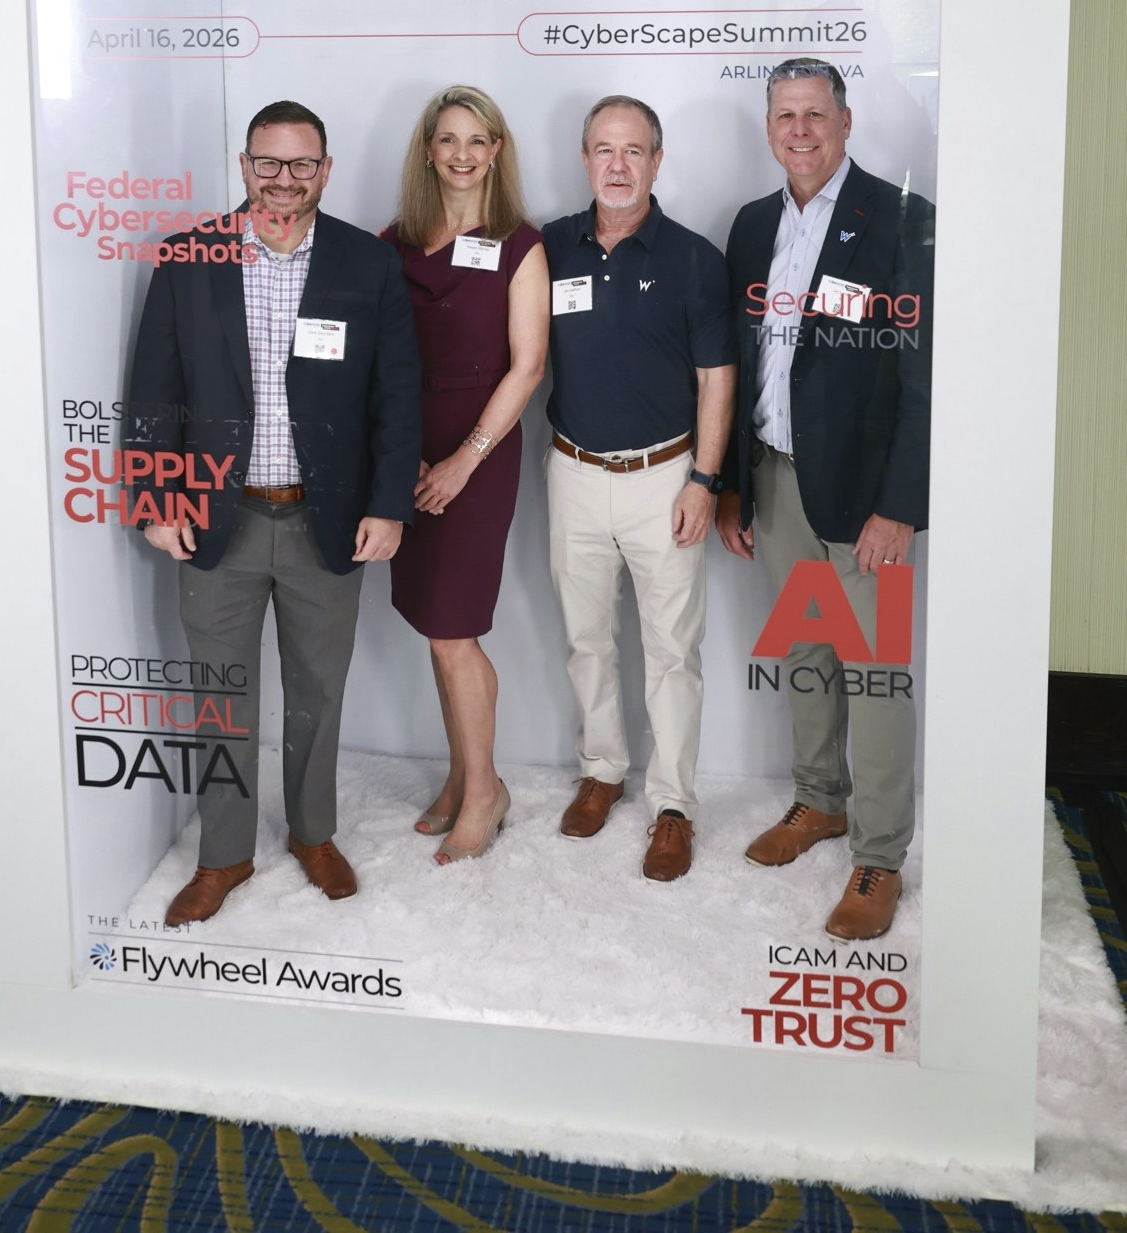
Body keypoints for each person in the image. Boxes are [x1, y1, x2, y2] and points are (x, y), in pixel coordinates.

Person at [127, 99, 421, 924]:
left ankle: (313, 833)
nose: (283, 180)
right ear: (245, 165)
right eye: (268, 163)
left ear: (325, 170)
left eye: (301, 164)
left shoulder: (368, 263)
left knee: (318, 691)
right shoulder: (189, 257)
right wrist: (154, 498)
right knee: (220, 695)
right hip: (217, 521)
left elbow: (397, 396)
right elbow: (152, 391)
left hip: (327, 519)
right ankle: (223, 854)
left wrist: (389, 505)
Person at [717, 57, 934, 943]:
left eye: (815, 114)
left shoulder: (902, 219)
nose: (799, 131)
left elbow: (924, 380)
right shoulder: (751, 225)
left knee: (876, 675)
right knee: (806, 653)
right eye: (785, 116)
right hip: (776, 480)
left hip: (864, 496)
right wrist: (735, 486)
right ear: (769, 128)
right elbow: (739, 364)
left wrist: (901, 506)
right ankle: (820, 801)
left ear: (845, 122)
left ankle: (880, 854)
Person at [543, 96, 736, 882]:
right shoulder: (549, 247)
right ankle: (602, 770)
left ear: (657, 160)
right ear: (584, 158)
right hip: (573, 473)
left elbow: (716, 379)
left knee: (672, 652)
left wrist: (704, 481)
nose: (617, 166)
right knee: (586, 638)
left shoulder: (694, 258)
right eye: (604, 149)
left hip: (666, 479)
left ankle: (674, 806)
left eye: (634, 151)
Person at [382, 86, 548, 865]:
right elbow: (377, 356)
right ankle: (461, 775)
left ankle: (486, 791)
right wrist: (400, 452)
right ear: (427, 150)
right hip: (408, 446)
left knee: (455, 632)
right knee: (433, 623)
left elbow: (528, 367)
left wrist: (462, 459)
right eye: (448, 139)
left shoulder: (519, 245)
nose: (462, 154)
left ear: (497, 151)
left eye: (477, 140)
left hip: (480, 447)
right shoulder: (393, 243)